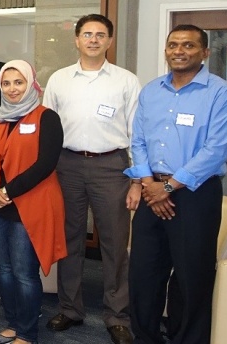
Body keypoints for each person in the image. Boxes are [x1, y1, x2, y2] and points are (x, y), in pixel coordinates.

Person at [126, 24, 227, 344]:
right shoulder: (151, 91)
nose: (179, 51)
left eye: (188, 46)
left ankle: (186, 338)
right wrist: (148, 183)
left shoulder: (220, 93)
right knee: (144, 273)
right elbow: (138, 142)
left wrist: (170, 187)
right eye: (173, 45)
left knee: (191, 276)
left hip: (195, 194)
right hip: (152, 192)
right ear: (166, 51)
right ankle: (145, 337)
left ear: (204, 52)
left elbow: (216, 149)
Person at [42, 14, 140, 344]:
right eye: (87, 34)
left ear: (110, 41)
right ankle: (70, 308)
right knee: (69, 241)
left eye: (100, 35)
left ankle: (117, 315)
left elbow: (136, 132)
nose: (94, 39)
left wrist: (138, 179)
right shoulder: (58, 79)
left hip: (112, 166)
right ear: (77, 39)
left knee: (114, 243)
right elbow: (48, 131)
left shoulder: (126, 81)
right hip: (66, 165)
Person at [0, 60, 66, 344]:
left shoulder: (46, 117)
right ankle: (14, 323)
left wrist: (7, 190)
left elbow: (46, 164)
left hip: (29, 205)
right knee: (2, 269)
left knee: (24, 273)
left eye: (18, 82)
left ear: (30, 83)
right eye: (6, 83)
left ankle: (27, 333)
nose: (12, 89)